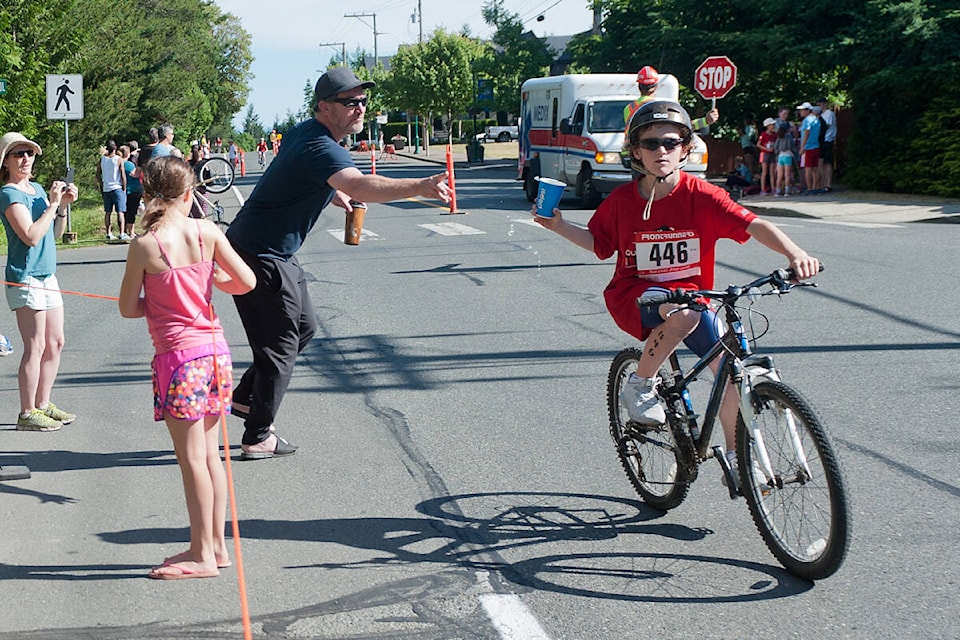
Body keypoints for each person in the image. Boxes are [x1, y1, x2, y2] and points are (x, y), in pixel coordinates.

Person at [532, 101, 819, 479]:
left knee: (730, 368)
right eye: (650, 144)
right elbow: (600, 244)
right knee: (682, 314)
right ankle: (639, 383)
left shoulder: (703, 196)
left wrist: (795, 254)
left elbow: (753, 224)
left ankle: (735, 459)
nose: (661, 151)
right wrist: (557, 226)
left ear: (686, 148)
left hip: (692, 300)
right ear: (636, 151)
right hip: (635, 294)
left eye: (671, 142)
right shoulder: (622, 201)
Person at [225, 66, 451, 459]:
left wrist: (332, 193)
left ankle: (246, 397)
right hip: (259, 253)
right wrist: (420, 186)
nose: (360, 108)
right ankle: (258, 434)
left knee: (304, 328)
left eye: (363, 101)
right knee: (279, 345)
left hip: (269, 250)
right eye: (350, 102)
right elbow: (361, 184)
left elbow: (300, 177)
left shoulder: (307, 135)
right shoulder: (320, 144)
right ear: (325, 107)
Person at [118, 156, 256, 579]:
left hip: (179, 359)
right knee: (211, 456)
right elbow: (245, 282)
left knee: (192, 459)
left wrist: (156, 305)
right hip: (215, 354)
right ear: (189, 192)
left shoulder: (145, 245)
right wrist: (213, 282)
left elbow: (127, 308)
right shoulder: (207, 232)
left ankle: (200, 554)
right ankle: (215, 547)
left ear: (146, 194)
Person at [0, 132, 78, 431]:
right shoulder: (9, 193)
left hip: (47, 274)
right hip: (25, 277)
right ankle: (26, 411)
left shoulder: (35, 189)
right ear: (5, 162)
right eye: (17, 154)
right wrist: (53, 203)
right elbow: (31, 236)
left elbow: (53, 234)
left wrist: (61, 207)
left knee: (56, 342)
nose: (25, 159)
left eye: (29, 153)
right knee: (35, 345)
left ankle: (43, 403)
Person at [96, 140, 127, 241]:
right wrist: (124, 187)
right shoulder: (118, 159)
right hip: (117, 187)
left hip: (106, 188)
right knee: (120, 212)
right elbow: (122, 174)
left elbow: (98, 174)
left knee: (108, 212)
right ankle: (122, 233)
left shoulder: (102, 160)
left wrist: (101, 184)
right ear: (115, 148)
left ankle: (109, 232)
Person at [797, 102, 821, 193]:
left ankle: (810, 188)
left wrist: (802, 147)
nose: (800, 112)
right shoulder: (816, 119)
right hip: (816, 145)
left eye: (802, 110)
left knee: (808, 168)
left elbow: (806, 133)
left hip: (808, 147)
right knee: (815, 168)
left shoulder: (806, 120)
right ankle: (816, 187)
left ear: (807, 111)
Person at [120, 144, 142, 239]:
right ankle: (131, 231)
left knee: (125, 211)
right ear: (128, 153)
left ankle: (124, 230)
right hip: (133, 189)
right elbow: (135, 174)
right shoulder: (128, 164)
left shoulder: (118, 163)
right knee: (132, 211)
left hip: (124, 190)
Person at [817, 97, 837, 192]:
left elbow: (826, 126)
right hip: (821, 140)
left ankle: (828, 184)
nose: (820, 106)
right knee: (821, 162)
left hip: (827, 139)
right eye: (819, 104)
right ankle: (822, 183)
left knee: (827, 162)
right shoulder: (820, 115)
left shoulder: (829, 113)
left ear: (825, 104)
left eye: (821, 104)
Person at [773, 120, 795, 196]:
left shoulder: (779, 137)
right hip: (787, 155)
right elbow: (791, 146)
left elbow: (775, 147)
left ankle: (778, 191)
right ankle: (787, 191)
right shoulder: (789, 137)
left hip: (780, 156)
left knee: (779, 175)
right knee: (787, 174)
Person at [756, 117, 777, 194]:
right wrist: (766, 149)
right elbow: (758, 144)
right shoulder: (763, 134)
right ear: (768, 126)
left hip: (772, 154)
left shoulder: (775, 135)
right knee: (764, 171)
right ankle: (763, 188)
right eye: (772, 125)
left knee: (772, 172)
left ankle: (773, 187)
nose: (774, 126)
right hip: (765, 154)